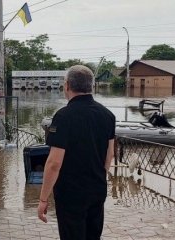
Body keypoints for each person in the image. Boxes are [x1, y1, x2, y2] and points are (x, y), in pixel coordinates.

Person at [37, 65, 116, 240]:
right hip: (97, 189)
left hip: (71, 193)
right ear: (91, 86)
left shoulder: (63, 117)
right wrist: (99, 180)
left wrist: (43, 199)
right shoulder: (108, 115)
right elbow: (109, 155)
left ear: (67, 86)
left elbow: (54, 163)